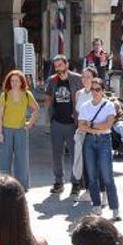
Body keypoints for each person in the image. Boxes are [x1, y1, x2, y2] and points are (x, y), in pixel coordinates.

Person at [76, 74, 120, 221]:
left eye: (98, 89)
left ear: (103, 90)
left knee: (107, 176)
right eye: (93, 89)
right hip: (89, 141)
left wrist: (92, 125)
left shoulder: (109, 105)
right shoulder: (85, 106)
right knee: (92, 176)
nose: (95, 91)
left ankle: (115, 209)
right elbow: (81, 125)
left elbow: (108, 125)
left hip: (104, 141)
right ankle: (96, 205)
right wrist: (95, 128)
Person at [42, 56, 85, 196]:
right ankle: (58, 181)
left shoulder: (77, 79)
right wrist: (47, 114)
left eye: (60, 65)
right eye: (56, 66)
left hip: (73, 123)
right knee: (56, 154)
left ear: (67, 64)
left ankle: (76, 183)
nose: (58, 68)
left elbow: (84, 96)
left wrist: (80, 115)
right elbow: (48, 96)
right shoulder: (52, 80)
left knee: (75, 154)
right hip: (57, 122)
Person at [0, 70, 38, 188]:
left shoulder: (27, 94)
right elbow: (0, 115)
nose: (14, 83)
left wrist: (30, 123)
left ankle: (22, 186)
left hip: (21, 130)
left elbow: (36, 109)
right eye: (12, 80)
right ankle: (3, 186)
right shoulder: (5, 94)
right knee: (5, 159)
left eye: (16, 81)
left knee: (21, 159)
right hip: (6, 130)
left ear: (21, 82)